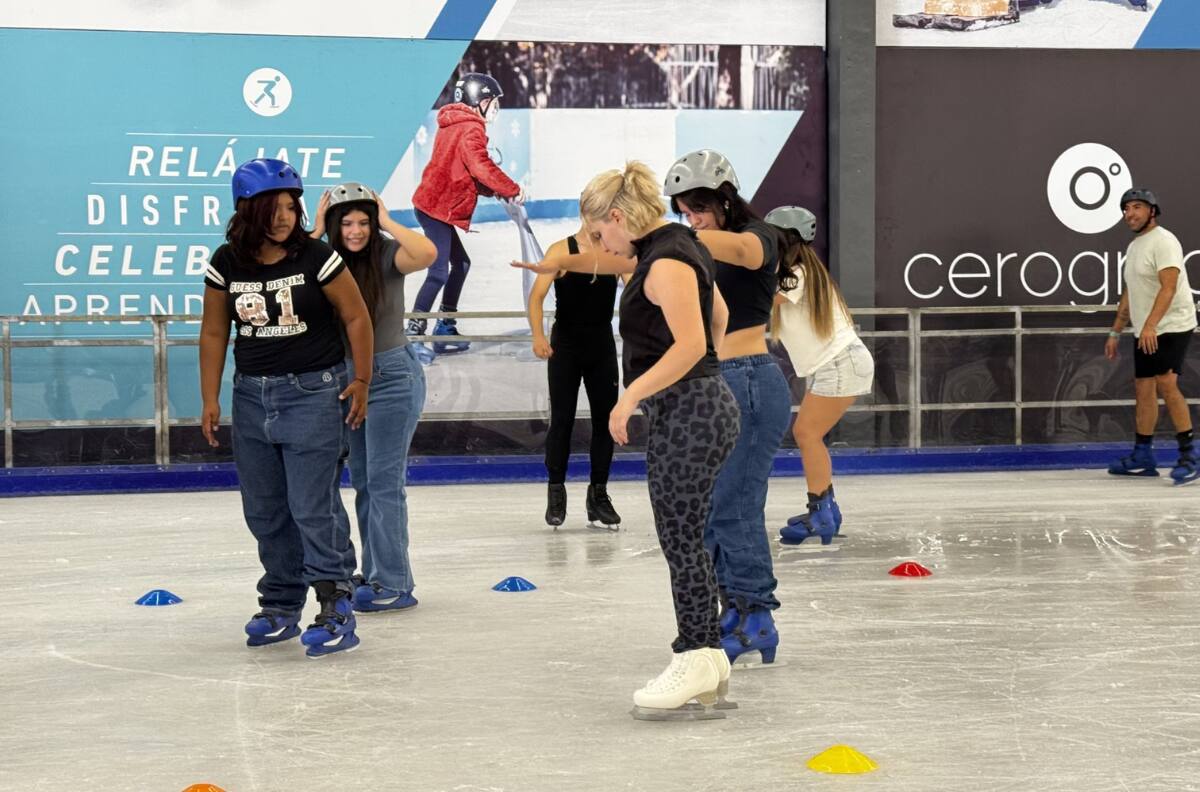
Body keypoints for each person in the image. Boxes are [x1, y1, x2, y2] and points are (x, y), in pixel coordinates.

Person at [514, 162, 739, 720]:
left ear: (617, 217)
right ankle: (708, 657)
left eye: (598, 231)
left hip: (690, 410)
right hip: (697, 406)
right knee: (687, 537)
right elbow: (720, 316)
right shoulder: (676, 246)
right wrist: (558, 263)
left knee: (681, 540)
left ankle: (695, 655)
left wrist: (629, 394)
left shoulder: (664, 264)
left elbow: (691, 344)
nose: (600, 243)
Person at [199, 158, 373, 658]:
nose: (285, 216)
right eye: (274, 208)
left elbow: (355, 315)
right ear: (248, 210)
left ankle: (335, 601)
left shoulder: (316, 256)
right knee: (266, 509)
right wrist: (211, 397)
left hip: (314, 394)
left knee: (312, 507)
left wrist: (361, 378)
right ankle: (279, 603)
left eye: (291, 207)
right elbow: (215, 332)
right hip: (251, 397)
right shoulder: (227, 262)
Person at [664, 149, 790, 667]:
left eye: (696, 207)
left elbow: (742, 251)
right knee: (715, 513)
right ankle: (734, 611)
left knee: (736, 509)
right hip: (718, 384)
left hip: (751, 383)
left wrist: (679, 237)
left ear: (723, 197)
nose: (690, 219)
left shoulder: (760, 236)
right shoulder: (694, 246)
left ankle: (757, 616)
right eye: (681, 212)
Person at [311, 182, 437, 611]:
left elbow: (427, 254)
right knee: (364, 482)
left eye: (363, 222)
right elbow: (289, 268)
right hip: (351, 379)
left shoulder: (386, 255)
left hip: (391, 376)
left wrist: (387, 220)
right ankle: (378, 570)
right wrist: (313, 233)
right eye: (346, 222)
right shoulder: (325, 261)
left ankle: (395, 582)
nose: (356, 230)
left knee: (384, 484)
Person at [768, 205, 873, 546]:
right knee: (809, 434)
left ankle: (819, 512)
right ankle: (826, 508)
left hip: (840, 363)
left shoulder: (795, 275)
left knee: (806, 433)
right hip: (837, 363)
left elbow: (762, 306)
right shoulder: (802, 273)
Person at [407, 72, 526, 364]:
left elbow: (465, 172)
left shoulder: (454, 124)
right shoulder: (471, 129)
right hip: (436, 210)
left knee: (460, 263)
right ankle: (412, 333)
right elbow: (480, 165)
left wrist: (495, 193)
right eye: (492, 102)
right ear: (478, 102)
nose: (494, 109)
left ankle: (445, 326)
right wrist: (511, 188)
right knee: (438, 272)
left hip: (434, 205)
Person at [526, 224, 623, 530]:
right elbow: (537, 296)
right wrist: (538, 336)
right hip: (565, 346)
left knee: (605, 421)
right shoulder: (560, 250)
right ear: (585, 213)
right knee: (562, 420)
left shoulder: (614, 252)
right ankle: (556, 491)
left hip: (602, 345)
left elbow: (636, 287)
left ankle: (599, 494)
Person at [1105, 188, 1198, 485]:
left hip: (1172, 324)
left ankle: (1189, 456)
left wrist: (1150, 326)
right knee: (1143, 387)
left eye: (1136, 207)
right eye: (1126, 209)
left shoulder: (1164, 241)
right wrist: (1115, 330)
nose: (1129, 214)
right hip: (1147, 328)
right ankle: (1143, 454)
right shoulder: (1134, 247)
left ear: (1152, 211)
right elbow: (1131, 291)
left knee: (1166, 383)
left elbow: (1168, 287)